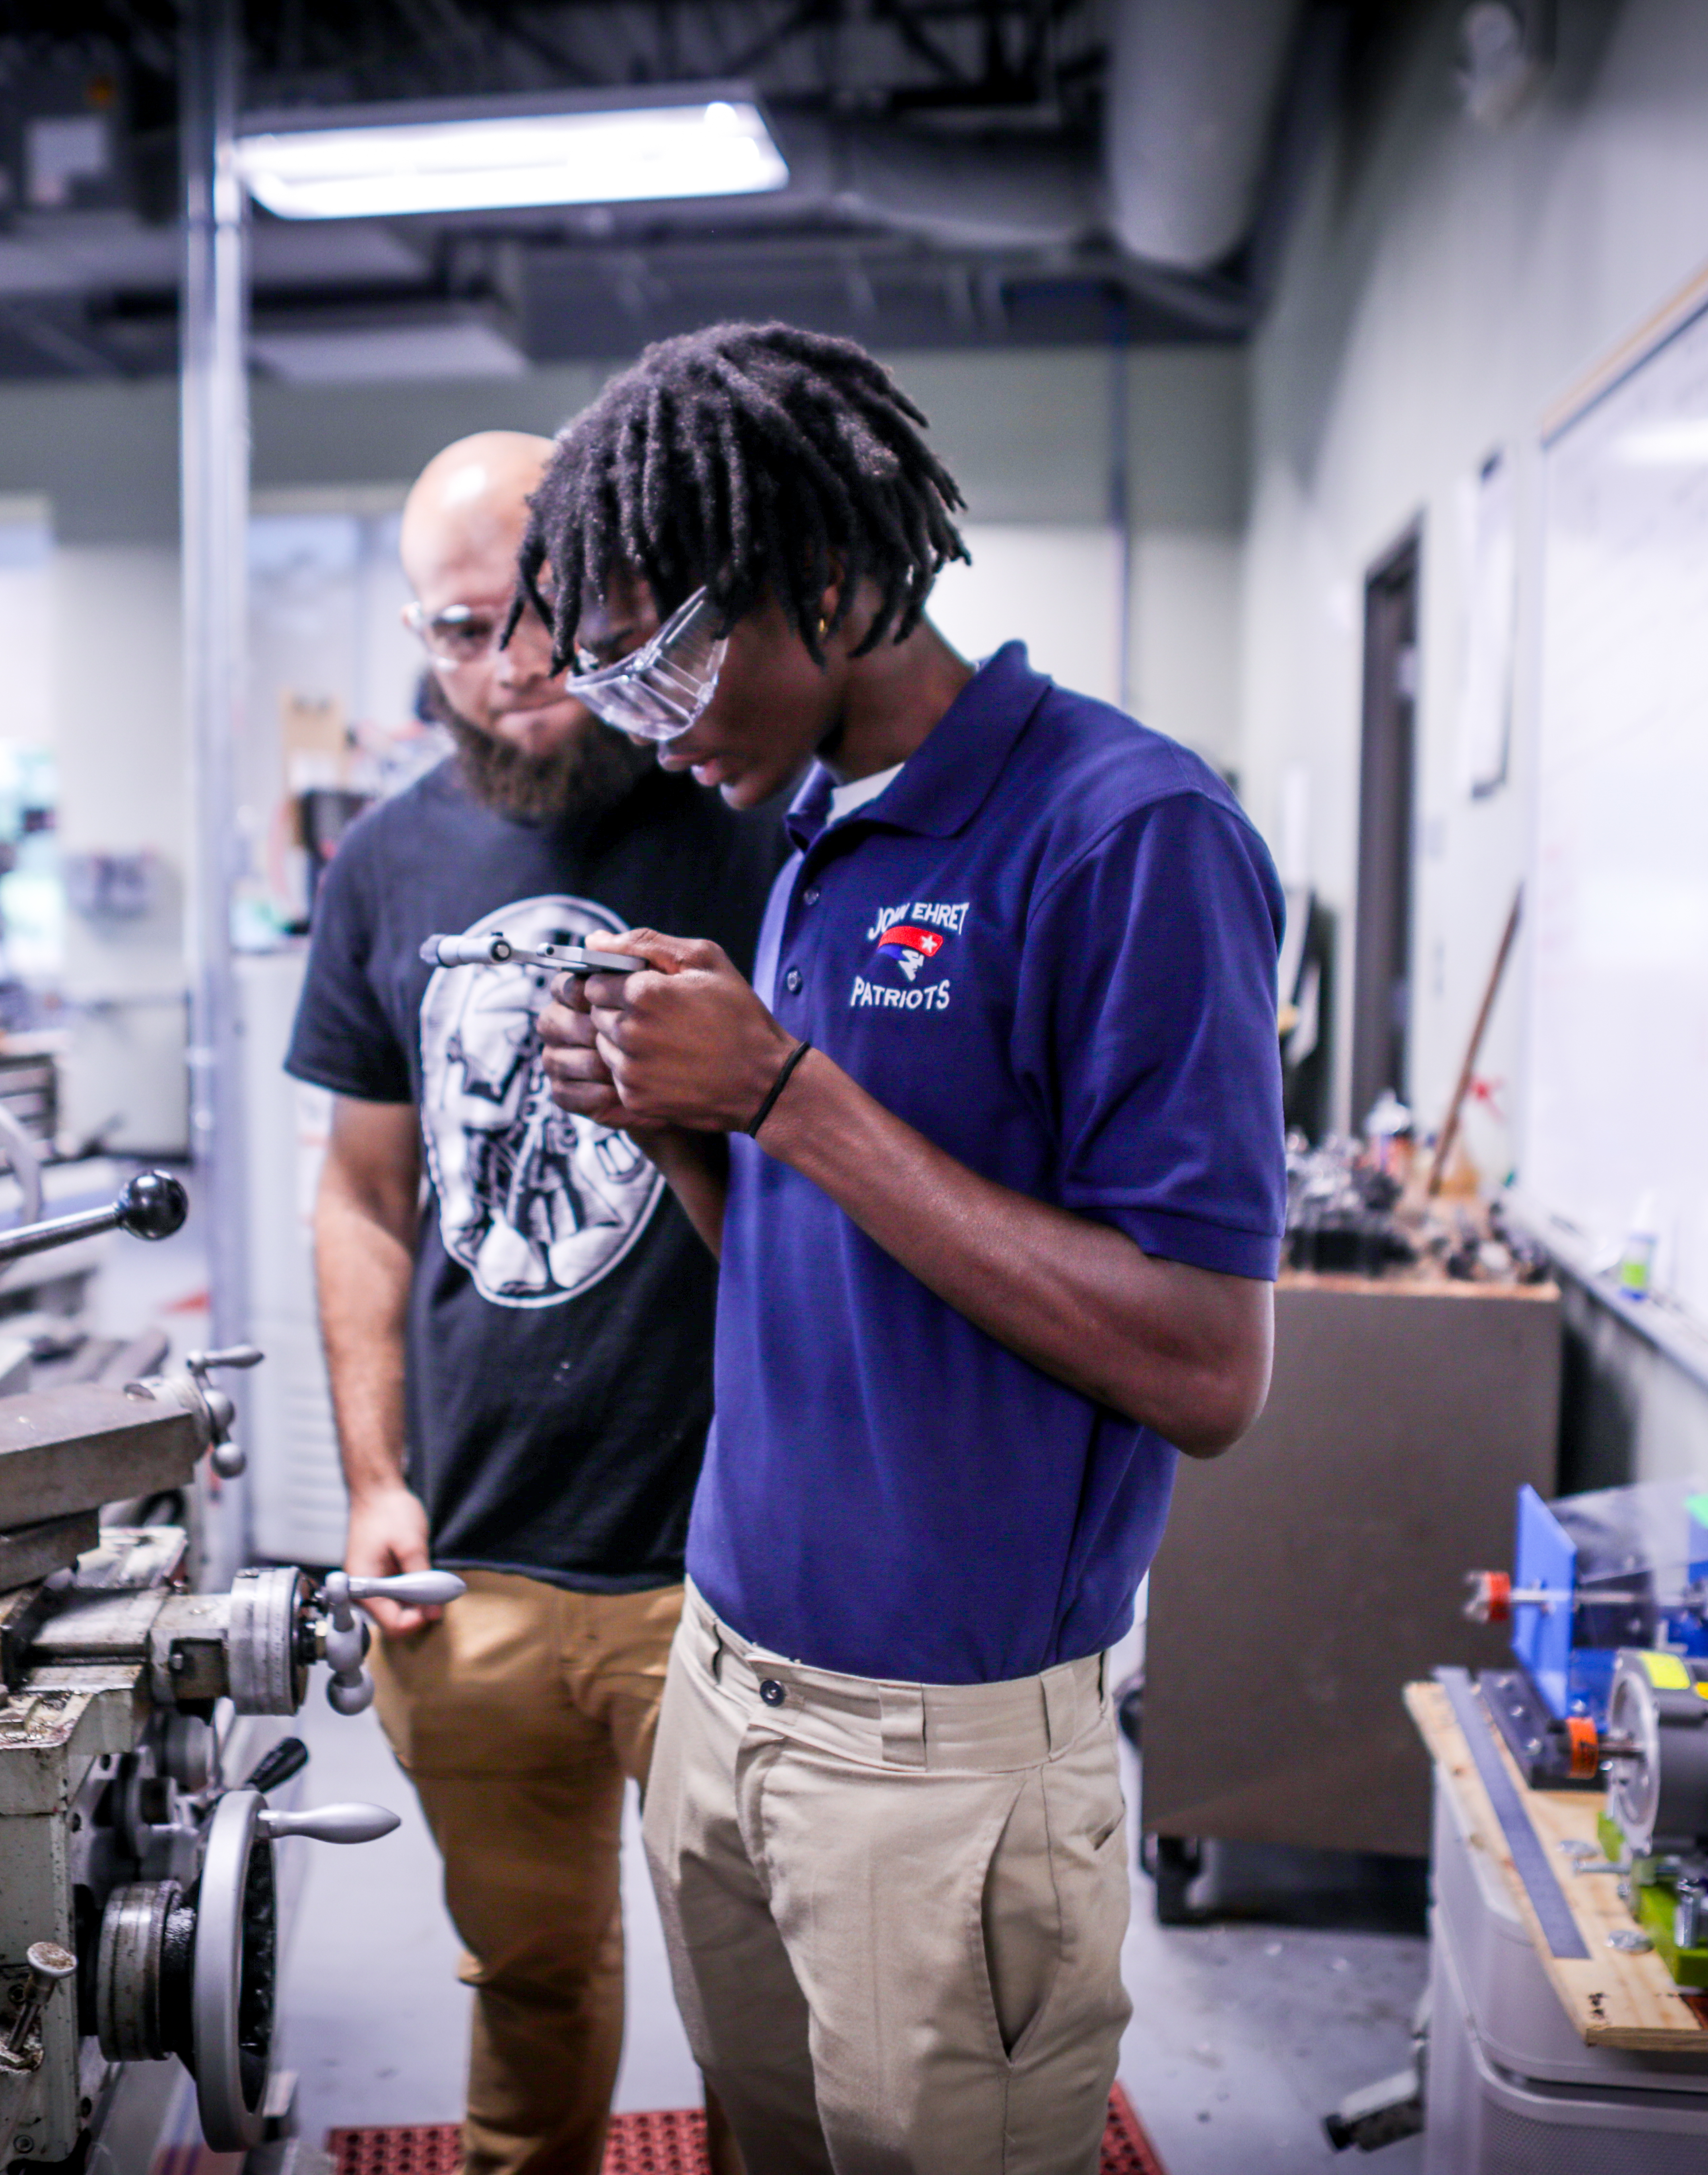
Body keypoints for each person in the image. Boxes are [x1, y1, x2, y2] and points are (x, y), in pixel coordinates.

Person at [517, 325, 1285, 2175]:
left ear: (837, 581)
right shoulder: (803, 846)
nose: (655, 722)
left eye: (672, 656)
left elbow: (1202, 1367)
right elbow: (815, 1258)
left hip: (938, 1763)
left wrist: (781, 1088)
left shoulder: (1124, 836)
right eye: (611, 678)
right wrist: (684, 1125)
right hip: (721, 1690)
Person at [283, 430, 787, 2175]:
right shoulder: (380, 869)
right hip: (469, 1564)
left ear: (607, 601)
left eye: (535, 623)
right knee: (528, 1993)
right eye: (452, 634)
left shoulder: (747, 834)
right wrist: (370, 1481)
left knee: (762, 2018)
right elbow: (359, 1196)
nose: (502, 677)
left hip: (716, 1570)